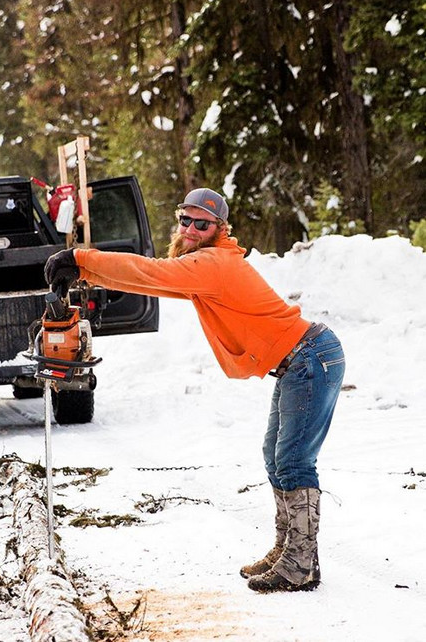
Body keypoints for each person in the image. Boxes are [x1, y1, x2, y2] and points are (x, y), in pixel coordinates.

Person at [44, 187, 345, 593]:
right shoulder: (205, 266)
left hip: (311, 359)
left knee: (293, 461)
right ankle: (290, 550)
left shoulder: (213, 263)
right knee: (275, 458)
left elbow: (150, 271)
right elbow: (156, 284)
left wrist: (80, 258)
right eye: (185, 219)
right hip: (302, 359)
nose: (190, 228)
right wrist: (86, 273)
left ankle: (301, 565)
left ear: (218, 229)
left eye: (201, 223)